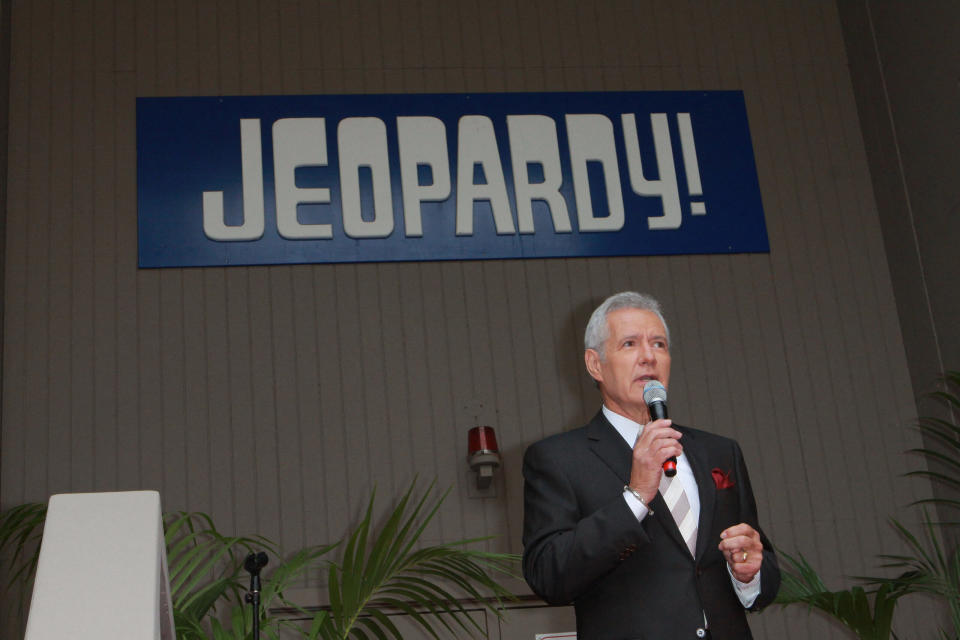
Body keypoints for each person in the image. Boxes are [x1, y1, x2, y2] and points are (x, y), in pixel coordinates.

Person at [522, 292, 780, 640]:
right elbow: (548, 575)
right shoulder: (559, 459)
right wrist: (636, 497)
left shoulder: (719, 452)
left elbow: (763, 565)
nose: (648, 356)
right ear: (595, 364)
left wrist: (749, 574)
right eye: (630, 344)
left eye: (659, 344)